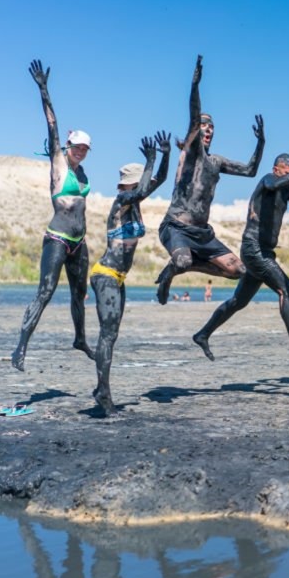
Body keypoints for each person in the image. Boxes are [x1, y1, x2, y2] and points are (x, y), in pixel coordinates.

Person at [192, 154, 289, 362]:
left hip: (264, 252)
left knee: (238, 301)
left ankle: (203, 334)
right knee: (286, 290)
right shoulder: (268, 180)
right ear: (277, 169)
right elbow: (274, 185)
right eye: (288, 173)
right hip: (254, 250)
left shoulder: (287, 190)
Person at [155, 55, 264, 304]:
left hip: (202, 233)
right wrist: (195, 86)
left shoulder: (217, 161)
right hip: (176, 227)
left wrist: (261, 142)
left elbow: (250, 170)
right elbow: (194, 118)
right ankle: (173, 271)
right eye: (204, 125)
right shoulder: (192, 151)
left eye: (211, 126)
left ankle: (176, 268)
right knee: (182, 259)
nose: (208, 129)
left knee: (238, 271)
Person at [12, 59, 95, 371]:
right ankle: (20, 347)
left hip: (79, 241)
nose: (81, 151)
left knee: (80, 294)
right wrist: (44, 90)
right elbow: (52, 127)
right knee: (45, 292)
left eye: (85, 148)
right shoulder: (59, 165)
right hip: (58, 238)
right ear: (69, 145)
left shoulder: (83, 172)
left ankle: (80, 339)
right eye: (78, 147)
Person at [90, 132, 171, 415]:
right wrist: (151, 160)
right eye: (139, 183)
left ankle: (102, 388)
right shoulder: (122, 200)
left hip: (118, 279)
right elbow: (141, 190)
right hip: (106, 275)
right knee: (108, 335)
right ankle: (103, 394)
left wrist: (165, 155)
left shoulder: (135, 203)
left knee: (112, 334)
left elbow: (156, 182)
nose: (143, 188)